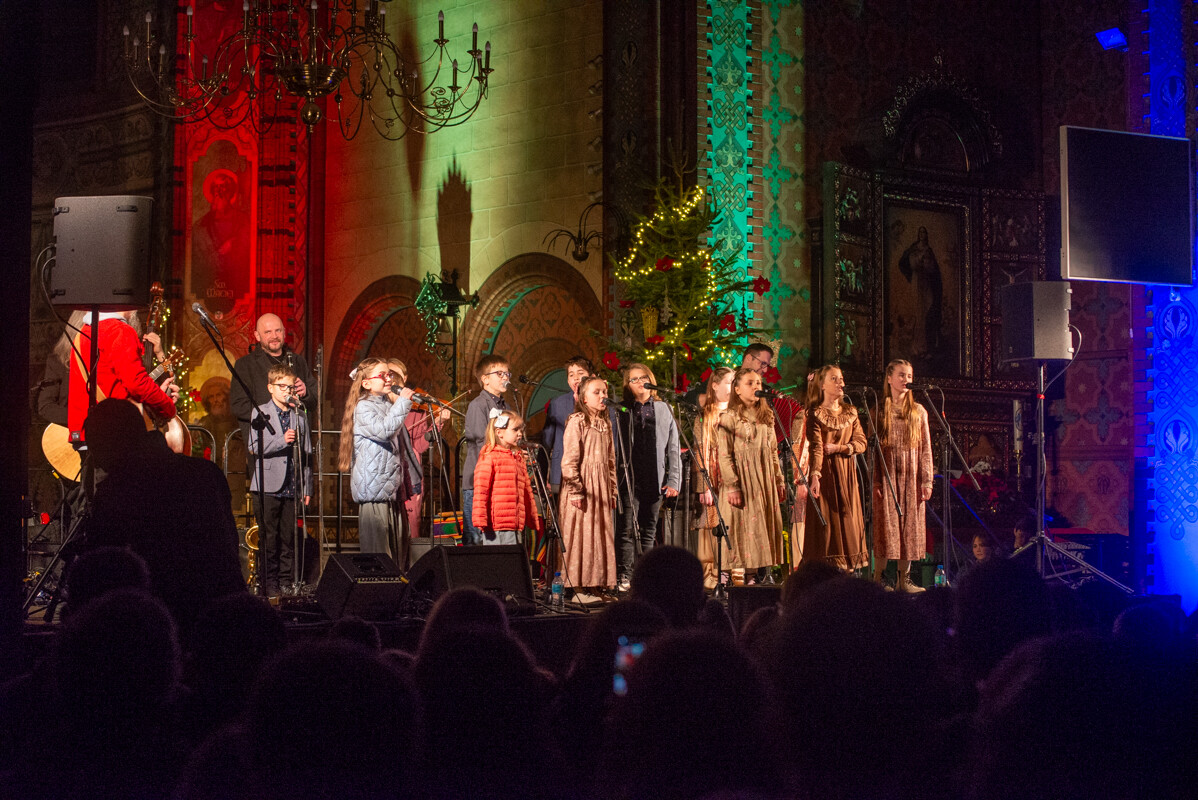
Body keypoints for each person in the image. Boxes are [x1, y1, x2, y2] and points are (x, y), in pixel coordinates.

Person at [83, 398, 245, 635]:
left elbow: (107, 568)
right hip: (228, 615)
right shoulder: (206, 472)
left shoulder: (118, 490)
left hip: (164, 620)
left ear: (112, 442)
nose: (94, 458)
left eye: (95, 446)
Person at [65, 309, 179, 445]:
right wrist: (168, 407)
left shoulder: (84, 332)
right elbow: (138, 384)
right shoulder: (119, 330)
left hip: (85, 432)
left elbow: (109, 384)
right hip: (114, 432)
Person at [614, 363, 681, 591]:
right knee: (627, 529)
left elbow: (673, 447)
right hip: (630, 477)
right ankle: (625, 574)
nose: (640, 382)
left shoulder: (664, 408)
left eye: (643, 377)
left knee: (649, 529)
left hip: (655, 476)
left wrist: (673, 480)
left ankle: (646, 577)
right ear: (627, 385)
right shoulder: (622, 409)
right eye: (633, 379)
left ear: (650, 379)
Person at [247, 364, 313, 598]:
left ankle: (286, 582)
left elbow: (307, 455)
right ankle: (269, 582)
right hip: (267, 485)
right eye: (282, 386)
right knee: (269, 538)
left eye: (290, 387)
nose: (287, 391)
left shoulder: (299, 416)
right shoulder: (260, 412)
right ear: (270, 388)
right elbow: (253, 446)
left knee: (289, 538)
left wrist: (308, 486)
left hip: (292, 485)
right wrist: (282, 441)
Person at [338, 357, 414, 557]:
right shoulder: (364, 407)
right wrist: (403, 402)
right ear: (366, 383)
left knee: (398, 552)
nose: (389, 379)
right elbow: (384, 431)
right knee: (379, 555)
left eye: (389, 374)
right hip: (374, 491)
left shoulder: (386, 404)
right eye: (382, 375)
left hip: (391, 490)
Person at [716, 368, 786, 584]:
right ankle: (729, 576)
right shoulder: (729, 417)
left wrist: (779, 480)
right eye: (750, 383)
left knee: (758, 527)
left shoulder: (767, 416)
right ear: (737, 389)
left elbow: (772, 452)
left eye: (758, 383)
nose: (756, 386)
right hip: (742, 480)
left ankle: (753, 575)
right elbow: (724, 454)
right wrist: (732, 485)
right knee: (739, 525)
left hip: (763, 479)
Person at [872, 358, 933, 592]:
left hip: (912, 477)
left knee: (909, 527)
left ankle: (903, 579)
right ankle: (879, 578)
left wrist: (926, 480)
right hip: (887, 476)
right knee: (886, 527)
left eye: (909, 376)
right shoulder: (880, 410)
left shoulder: (918, 411)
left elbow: (926, 448)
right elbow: (873, 451)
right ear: (889, 378)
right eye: (901, 375)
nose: (906, 379)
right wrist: (876, 480)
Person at [230, 313, 317, 474]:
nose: (274, 336)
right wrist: (274, 413)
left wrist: (305, 393)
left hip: (297, 447)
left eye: (278, 331)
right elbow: (238, 405)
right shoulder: (245, 365)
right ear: (257, 336)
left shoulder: (298, 362)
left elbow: (314, 400)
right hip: (266, 445)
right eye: (268, 332)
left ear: (284, 333)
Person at [805, 364, 868, 573]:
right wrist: (815, 475)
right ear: (822, 385)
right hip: (827, 474)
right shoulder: (815, 413)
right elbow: (816, 447)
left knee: (848, 521)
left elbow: (861, 442)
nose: (840, 383)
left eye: (841, 378)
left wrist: (840, 448)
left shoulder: (850, 412)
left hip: (847, 474)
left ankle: (848, 573)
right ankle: (826, 573)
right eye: (834, 379)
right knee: (827, 524)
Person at [559, 376, 619, 596]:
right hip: (583, 486)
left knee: (598, 535)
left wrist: (612, 490)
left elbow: (610, 461)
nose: (603, 396)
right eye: (597, 392)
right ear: (583, 398)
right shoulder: (577, 421)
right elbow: (569, 460)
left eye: (604, 392)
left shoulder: (606, 423)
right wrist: (576, 490)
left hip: (600, 487)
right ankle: (577, 586)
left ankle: (595, 584)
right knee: (581, 535)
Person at [388, 358, 450, 547]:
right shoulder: (381, 407)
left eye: (396, 376)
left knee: (411, 526)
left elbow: (420, 446)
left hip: (410, 473)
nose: (391, 379)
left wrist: (438, 423)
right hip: (388, 473)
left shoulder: (416, 408)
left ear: (404, 378)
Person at [462, 354, 511, 545]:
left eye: (507, 373)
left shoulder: (506, 406)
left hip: (499, 480)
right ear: (485, 379)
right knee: (476, 541)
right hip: (479, 481)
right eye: (499, 373)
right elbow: (482, 441)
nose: (505, 377)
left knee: (496, 539)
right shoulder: (478, 405)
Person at [693, 366, 733, 590]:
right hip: (714, 476)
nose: (732, 387)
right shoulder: (704, 416)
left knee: (734, 522)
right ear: (715, 385)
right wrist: (704, 486)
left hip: (734, 477)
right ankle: (713, 573)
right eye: (728, 382)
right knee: (712, 522)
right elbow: (700, 451)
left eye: (734, 382)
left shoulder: (738, 413)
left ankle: (735, 570)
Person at [472, 410, 539, 545]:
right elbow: (481, 489)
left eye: (521, 430)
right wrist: (480, 519)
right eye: (515, 430)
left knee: (514, 556)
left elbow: (526, 490)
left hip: (515, 524)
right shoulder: (490, 456)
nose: (520, 434)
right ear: (499, 432)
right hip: (497, 525)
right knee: (500, 557)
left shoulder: (517, 458)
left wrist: (532, 518)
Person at [543, 355, 593, 493]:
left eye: (580, 373)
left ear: (591, 376)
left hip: (592, 473)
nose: (576, 378)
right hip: (561, 473)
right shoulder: (557, 404)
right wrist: (543, 473)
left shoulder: (601, 402)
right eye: (571, 375)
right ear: (568, 380)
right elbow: (546, 442)